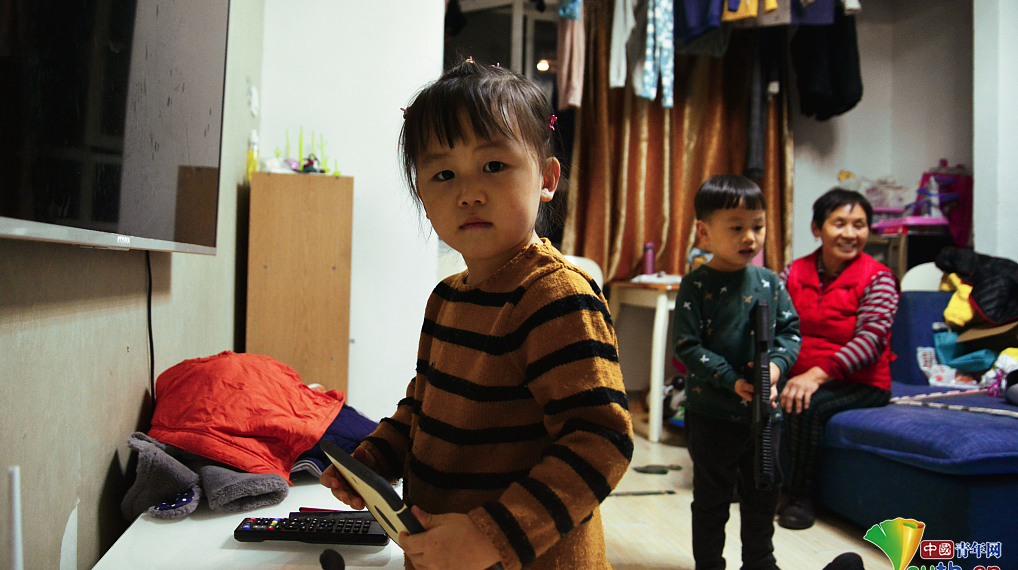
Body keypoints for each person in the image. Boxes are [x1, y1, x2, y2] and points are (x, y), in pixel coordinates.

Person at [320, 59, 633, 570]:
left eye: (494, 166)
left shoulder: (555, 296)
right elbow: (424, 403)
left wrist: (492, 536)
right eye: (444, 174)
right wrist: (376, 458)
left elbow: (601, 439)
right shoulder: (447, 298)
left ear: (547, 178)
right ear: (423, 199)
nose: (469, 192)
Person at [673, 175, 801, 570]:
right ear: (704, 232)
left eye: (758, 226)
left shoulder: (771, 282)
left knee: (764, 492)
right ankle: (709, 563)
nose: (750, 237)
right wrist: (733, 381)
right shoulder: (696, 285)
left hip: (765, 418)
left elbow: (790, 333)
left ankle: (760, 560)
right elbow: (687, 347)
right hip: (711, 415)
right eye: (736, 228)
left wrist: (775, 368)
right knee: (712, 497)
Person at [777, 188, 900, 530]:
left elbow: (871, 341)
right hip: (800, 372)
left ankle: (800, 498)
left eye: (859, 225)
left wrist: (814, 376)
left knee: (805, 403)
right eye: (839, 223)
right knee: (752, 389)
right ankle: (746, 482)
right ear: (817, 228)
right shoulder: (793, 272)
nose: (850, 233)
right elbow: (775, 326)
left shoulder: (879, 278)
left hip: (860, 383)